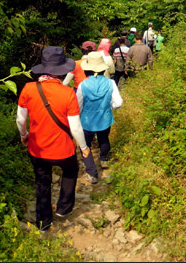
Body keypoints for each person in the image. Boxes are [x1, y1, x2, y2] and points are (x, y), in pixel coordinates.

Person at [16, 46, 91, 232]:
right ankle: (63, 208)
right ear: (61, 70)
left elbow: (20, 120)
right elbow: (75, 127)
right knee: (71, 170)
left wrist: (24, 135)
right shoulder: (67, 93)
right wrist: (84, 147)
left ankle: (43, 222)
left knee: (42, 182)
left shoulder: (28, 89)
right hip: (63, 150)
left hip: (37, 148)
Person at [77, 51, 123, 179]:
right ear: (103, 69)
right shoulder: (111, 83)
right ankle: (103, 159)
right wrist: (109, 107)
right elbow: (118, 102)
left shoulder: (83, 85)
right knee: (103, 139)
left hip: (87, 121)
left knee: (85, 145)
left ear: (87, 70)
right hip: (105, 119)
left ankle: (91, 172)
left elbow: (78, 106)